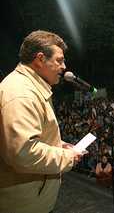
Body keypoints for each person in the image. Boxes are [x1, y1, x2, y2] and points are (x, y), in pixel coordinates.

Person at [0, 30, 84, 213]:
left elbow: (33, 137)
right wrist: (68, 157)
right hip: (23, 205)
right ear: (40, 59)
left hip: (30, 200)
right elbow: (23, 152)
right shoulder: (22, 94)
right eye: (59, 60)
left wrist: (60, 146)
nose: (64, 67)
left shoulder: (30, 87)